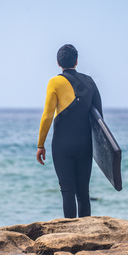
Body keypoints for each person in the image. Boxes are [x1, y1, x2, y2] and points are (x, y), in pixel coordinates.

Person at [36, 44, 103, 218]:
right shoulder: (89, 82)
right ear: (77, 61)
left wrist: (40, 144)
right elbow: (99, 119)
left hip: (62, 145)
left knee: (67, 191)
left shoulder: (55, 82)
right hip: (85, 144)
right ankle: (86, 234)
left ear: (58, 63)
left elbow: (47, 116)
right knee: (83, 194)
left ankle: (71, 236)